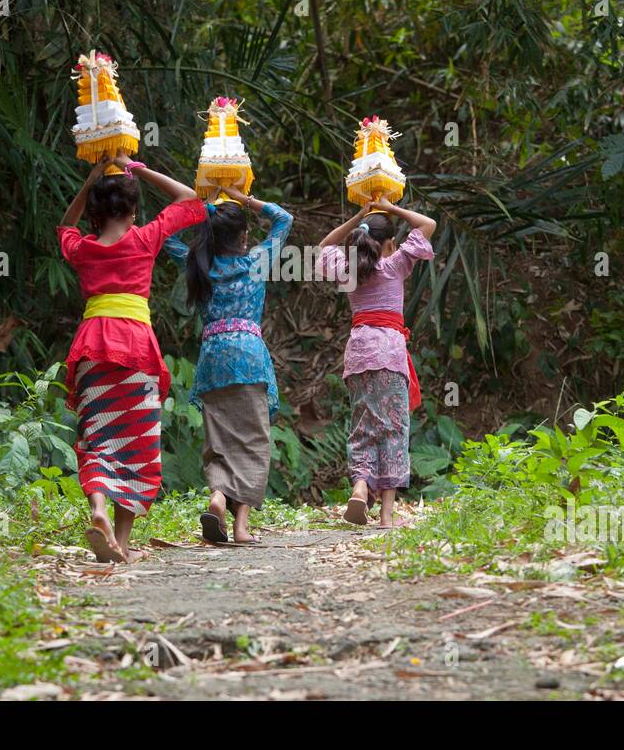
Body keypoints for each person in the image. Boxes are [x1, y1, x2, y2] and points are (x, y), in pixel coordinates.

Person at [57, 152, 204, 562]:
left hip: (93, 347)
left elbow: (65, 226)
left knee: (98, 439)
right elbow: (192, 199)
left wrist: (91, 178)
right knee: (138, 443)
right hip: (136, 348)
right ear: (134, 210)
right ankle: (121, 541)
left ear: (96, 210)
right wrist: (138, 168)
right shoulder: (145, 238)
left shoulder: (83, 249)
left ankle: (98, 510)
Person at [163, 186, 293, 543]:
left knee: (218, 440)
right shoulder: (256, 261)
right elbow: (284, 219)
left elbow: (164, 234)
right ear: (245, 234)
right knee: (252, 441)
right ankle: (240, 527)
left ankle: (218, 496)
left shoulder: (198, 265)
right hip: (249, 357)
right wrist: (244, 197)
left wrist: (203, 208)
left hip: (213, 359)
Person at [316, 194, 436, 528]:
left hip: (358, 354)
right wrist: (391, 207)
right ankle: (386, 515)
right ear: (389, 243)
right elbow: (428, 225)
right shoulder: (396, 265)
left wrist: (359, 216)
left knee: (364, 426)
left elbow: (324, 245)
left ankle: (359, 486)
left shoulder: (348, 270)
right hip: (390, 353)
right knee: (393, 430)